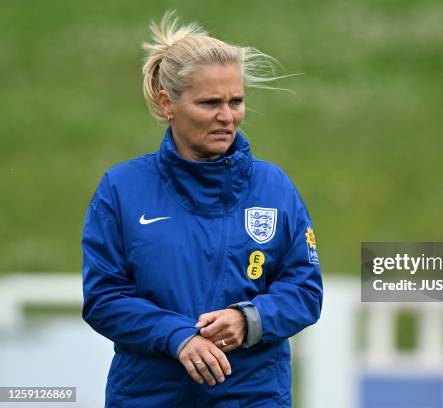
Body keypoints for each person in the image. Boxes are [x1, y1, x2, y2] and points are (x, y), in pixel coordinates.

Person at [81, 11, 323, 408]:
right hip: (148, 396)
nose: (227, 117)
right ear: (167, 104)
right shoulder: (122, 189)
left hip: (252, 396)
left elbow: (304, 290)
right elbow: (105, 298)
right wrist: (178, 337)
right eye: (210, 102)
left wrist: (248, 320)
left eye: (236, 101)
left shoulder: (274, 187)